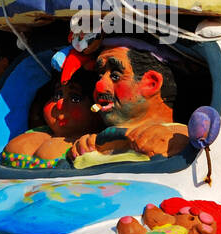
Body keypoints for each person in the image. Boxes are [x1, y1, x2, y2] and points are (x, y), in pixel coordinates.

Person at [68, 38, 189, 167]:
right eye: (100, 75)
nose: (99, 86)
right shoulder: (96, 142)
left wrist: (178, 139)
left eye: (115, 76)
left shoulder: (180, 138)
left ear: (151, 84)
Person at [0, 52, 100, 170]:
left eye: (75, 98)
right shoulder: (40, 130)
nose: (60, 104)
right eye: (57, 96)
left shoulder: (92, 142)